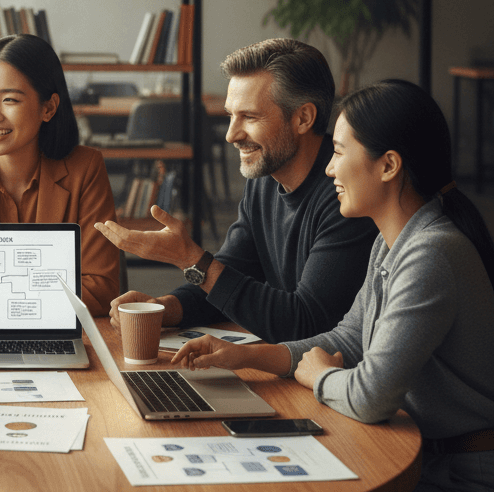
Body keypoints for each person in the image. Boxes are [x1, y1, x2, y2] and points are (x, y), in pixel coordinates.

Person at [171, 79, 494, 492]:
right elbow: (346, 340)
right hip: (425, 467)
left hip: (470, 491)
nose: (328, 168)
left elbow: (369, 396)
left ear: (388, 166)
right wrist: (249, 356)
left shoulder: (432, 253)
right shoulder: (393, 245)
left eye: (339, 152)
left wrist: (318, 377)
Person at [98, 38, 376, 342]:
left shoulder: (347, 195)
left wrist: (190, 257)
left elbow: (305, 321)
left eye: (250, 117)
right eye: (231, 115)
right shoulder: (264, 179)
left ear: (303, 118)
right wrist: (165, 308)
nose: (232, 134)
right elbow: (232, 272)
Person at [0, 34, 119, 315]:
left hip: (54, 336)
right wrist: (39, 292)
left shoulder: (85, 169)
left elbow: (101, 291)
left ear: (49, 108)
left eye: (10, 100)